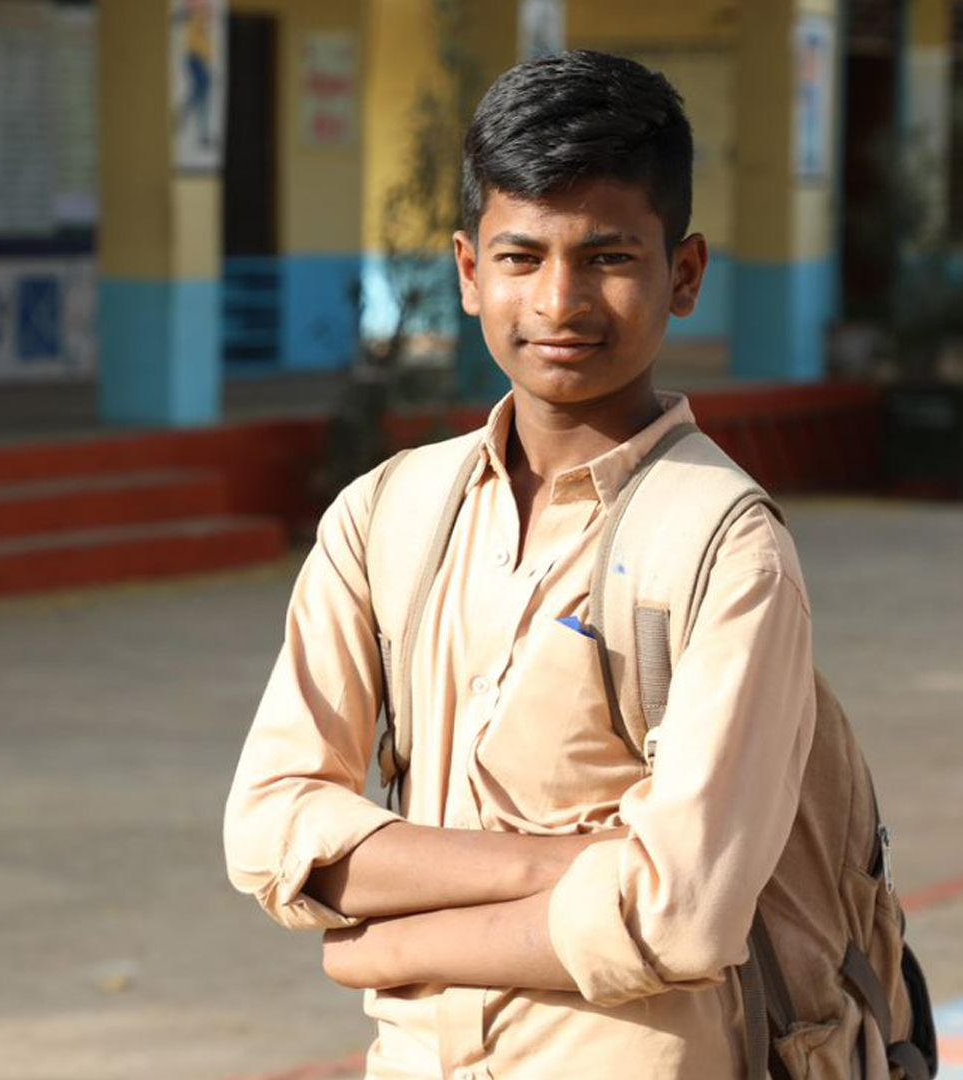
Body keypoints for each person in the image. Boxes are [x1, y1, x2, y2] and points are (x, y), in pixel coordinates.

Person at [224, 50, 816, 1078]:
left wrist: (399, 940)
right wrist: (567, 866)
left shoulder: (725, 547)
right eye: (522, 256)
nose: (561, 300)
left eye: (608, 257)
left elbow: (683, 912)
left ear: (683, 274)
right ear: (467, 272)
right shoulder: (387, 515)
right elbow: (273, 826)